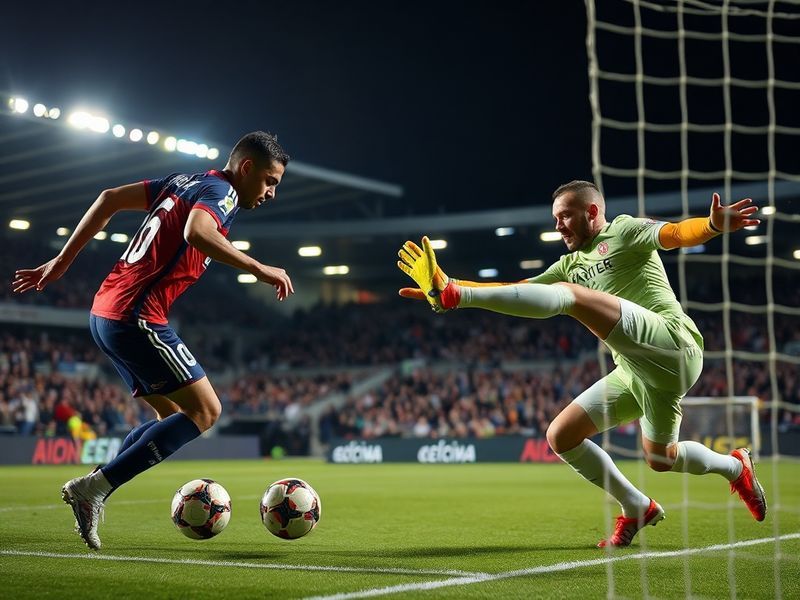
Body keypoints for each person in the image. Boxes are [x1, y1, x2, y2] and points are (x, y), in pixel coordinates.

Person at [397, 180, 767, 548]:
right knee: (596, 444)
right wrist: (445, 285)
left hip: (674, 345)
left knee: (571, 297)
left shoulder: (624, 230)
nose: (557, 226)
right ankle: (711, 476)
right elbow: (520, 288)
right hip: (637, 370)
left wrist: (712, 225)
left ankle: (454, 294)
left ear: (592, 212)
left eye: (565, 216)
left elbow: (674, 234)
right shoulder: (569, 265)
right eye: (555, 218)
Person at [13, 131, 292, 550]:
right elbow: (197, 233)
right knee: (207, 412)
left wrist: (60, 262)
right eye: (270, 180)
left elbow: (108, 198)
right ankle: (95, 487)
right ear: (246, 168)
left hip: (104, 312)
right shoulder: (223, 191)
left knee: (173, 418)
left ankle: (95, 488)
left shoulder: (182, 181)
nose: (271, 192)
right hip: (137, 316)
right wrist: (258, 267)